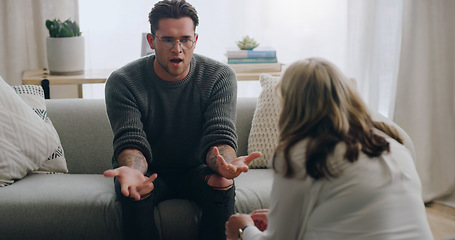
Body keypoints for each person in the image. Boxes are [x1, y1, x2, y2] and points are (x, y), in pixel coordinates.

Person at [225, 58, 434, 240]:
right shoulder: (391, 144)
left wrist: (244, 228)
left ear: (290, 106)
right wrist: (279, 218)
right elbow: (358, 216)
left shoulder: (299, 155)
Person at [103, 0, 261, 239]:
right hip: (151, 170)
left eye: (185, 40)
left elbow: (220, 136)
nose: (177, 49)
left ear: (195, 41)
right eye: (167, 40)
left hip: (198, 169)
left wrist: (226, 165)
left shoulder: (219, 77)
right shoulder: (123, 81)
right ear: (151, 41)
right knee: (135, 186)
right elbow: (130, 140)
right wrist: (132, 171)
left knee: (221, 180)